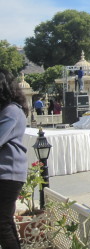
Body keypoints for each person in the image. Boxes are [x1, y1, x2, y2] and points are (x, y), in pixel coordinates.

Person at [0, 69, 29, 249]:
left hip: (8, 174)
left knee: (2, 224)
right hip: (5, 173)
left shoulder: (11, 111)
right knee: (5, 222)